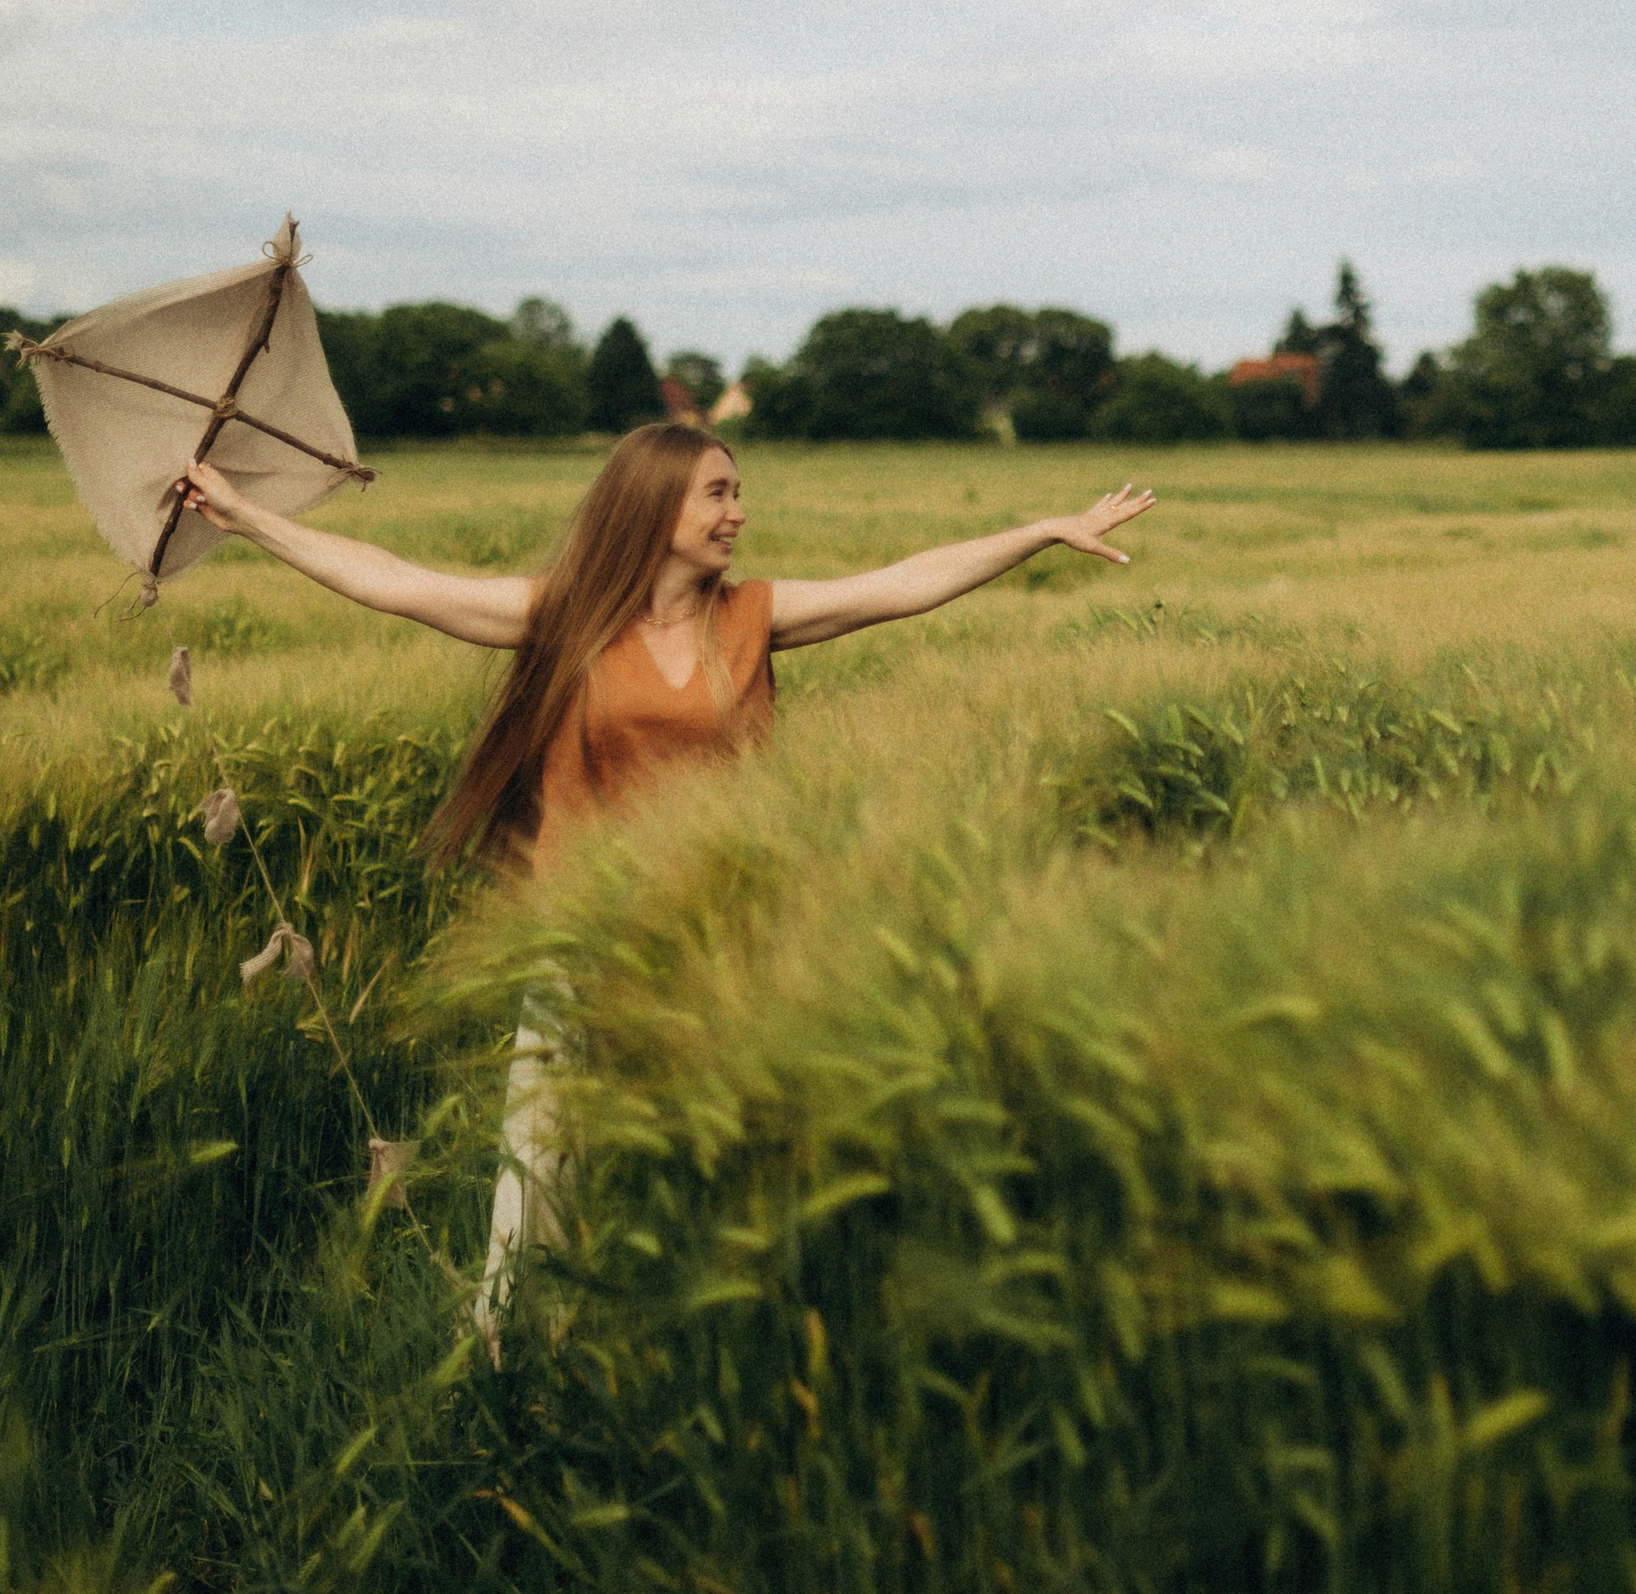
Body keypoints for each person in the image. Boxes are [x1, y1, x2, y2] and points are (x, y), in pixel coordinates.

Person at [176, 422, 1155, 1355]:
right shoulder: (565, 620)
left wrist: (1040, 531)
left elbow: (902, 584)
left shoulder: (754, 617)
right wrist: (249, 518)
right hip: (582, 933)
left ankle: (711, 1339)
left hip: (719, 934)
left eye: (738, 492)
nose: (738, 512)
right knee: (544, 1157)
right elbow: (397, 583)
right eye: (717, 493)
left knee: (721, 1154)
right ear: (654, 506)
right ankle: (512, 1348)